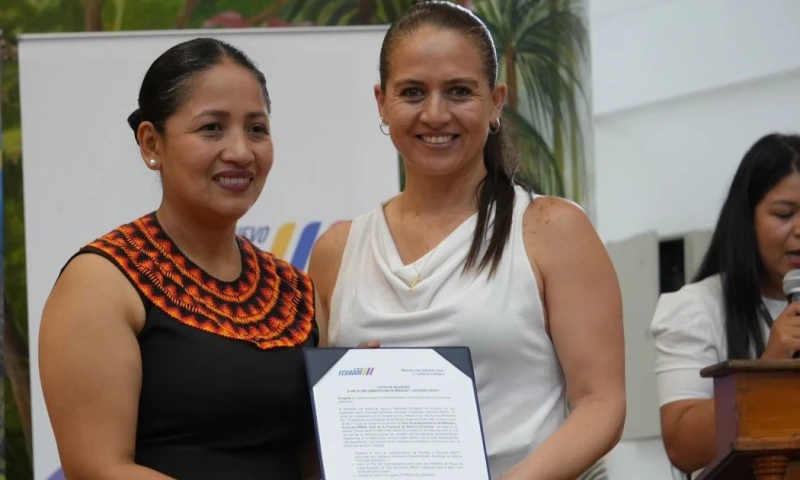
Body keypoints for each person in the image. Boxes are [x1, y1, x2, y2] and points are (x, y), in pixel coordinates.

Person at [308, 2, 626, 479]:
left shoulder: (550, 229)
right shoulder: (336, 249)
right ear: (381, 102)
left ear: (496, 101)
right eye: (412, 92)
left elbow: (602, 402)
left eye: (459, 91)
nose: (435, 114)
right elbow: (318, 425)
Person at [38, 38, 318, 480]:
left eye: (257, 129)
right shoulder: (102, 281)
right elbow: (97, 469)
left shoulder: (293, 292)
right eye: (212, 128)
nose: (241, 151)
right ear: (152, 142)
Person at [650, 132, 800, 479]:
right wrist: (768, 369)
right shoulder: (696, 308)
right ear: (747, 219)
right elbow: (683, 445)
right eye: (784, 213)